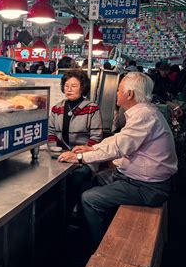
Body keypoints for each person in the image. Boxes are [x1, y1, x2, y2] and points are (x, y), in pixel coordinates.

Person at [58, 72, 178, 248]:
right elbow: (119, 138)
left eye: (119, 90)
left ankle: (101, 247)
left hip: (148, 186)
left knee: (89, 198)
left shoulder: (144, 116)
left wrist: (80, 157)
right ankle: (97, 225)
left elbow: (119, 146)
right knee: (97, 178)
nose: (116, 93)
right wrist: (93, 149)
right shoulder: (143, 112)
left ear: (130, 94)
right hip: (136, 178)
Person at [48, 69, 103, 219]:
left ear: (83, 87)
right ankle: (54, 216)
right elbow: (51, 133)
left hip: (85, 158)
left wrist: (78, 155)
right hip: (61, 156)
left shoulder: (92, 108)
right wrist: (54, 150)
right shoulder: (57, 108)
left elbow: (96, 137)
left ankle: (65, 217)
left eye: (74, 86)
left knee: (76, 178)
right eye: (66, 86)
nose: (69, 89)